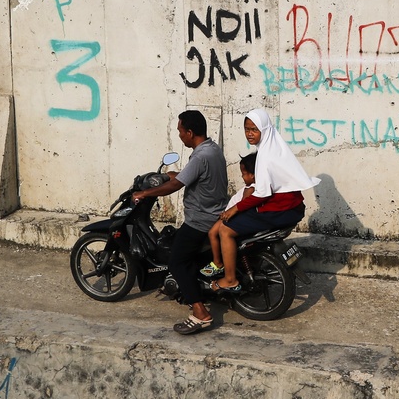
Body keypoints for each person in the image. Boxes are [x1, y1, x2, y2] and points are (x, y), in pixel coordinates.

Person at [132, 110, 228, 335]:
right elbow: (189, 177)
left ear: (190, 132)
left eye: (180, 131)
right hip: (215, 214)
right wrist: (172, 174)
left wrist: (145, 193)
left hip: (199, 220)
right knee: (189, 258)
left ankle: (200, 313)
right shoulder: (213, 150)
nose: (179, 136)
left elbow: (176, 186)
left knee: (176, 262)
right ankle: (196, 288)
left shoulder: (200, 156)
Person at [201, 108, 317, 292]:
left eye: (254, 129)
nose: (250, 134)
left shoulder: (264, 156)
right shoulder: (277, 148)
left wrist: (235, 208)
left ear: (264, 129)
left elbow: (261, 193)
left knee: (225, 230)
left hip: (279, 210)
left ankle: (230, 279)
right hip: (292, 208)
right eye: (247, 129)